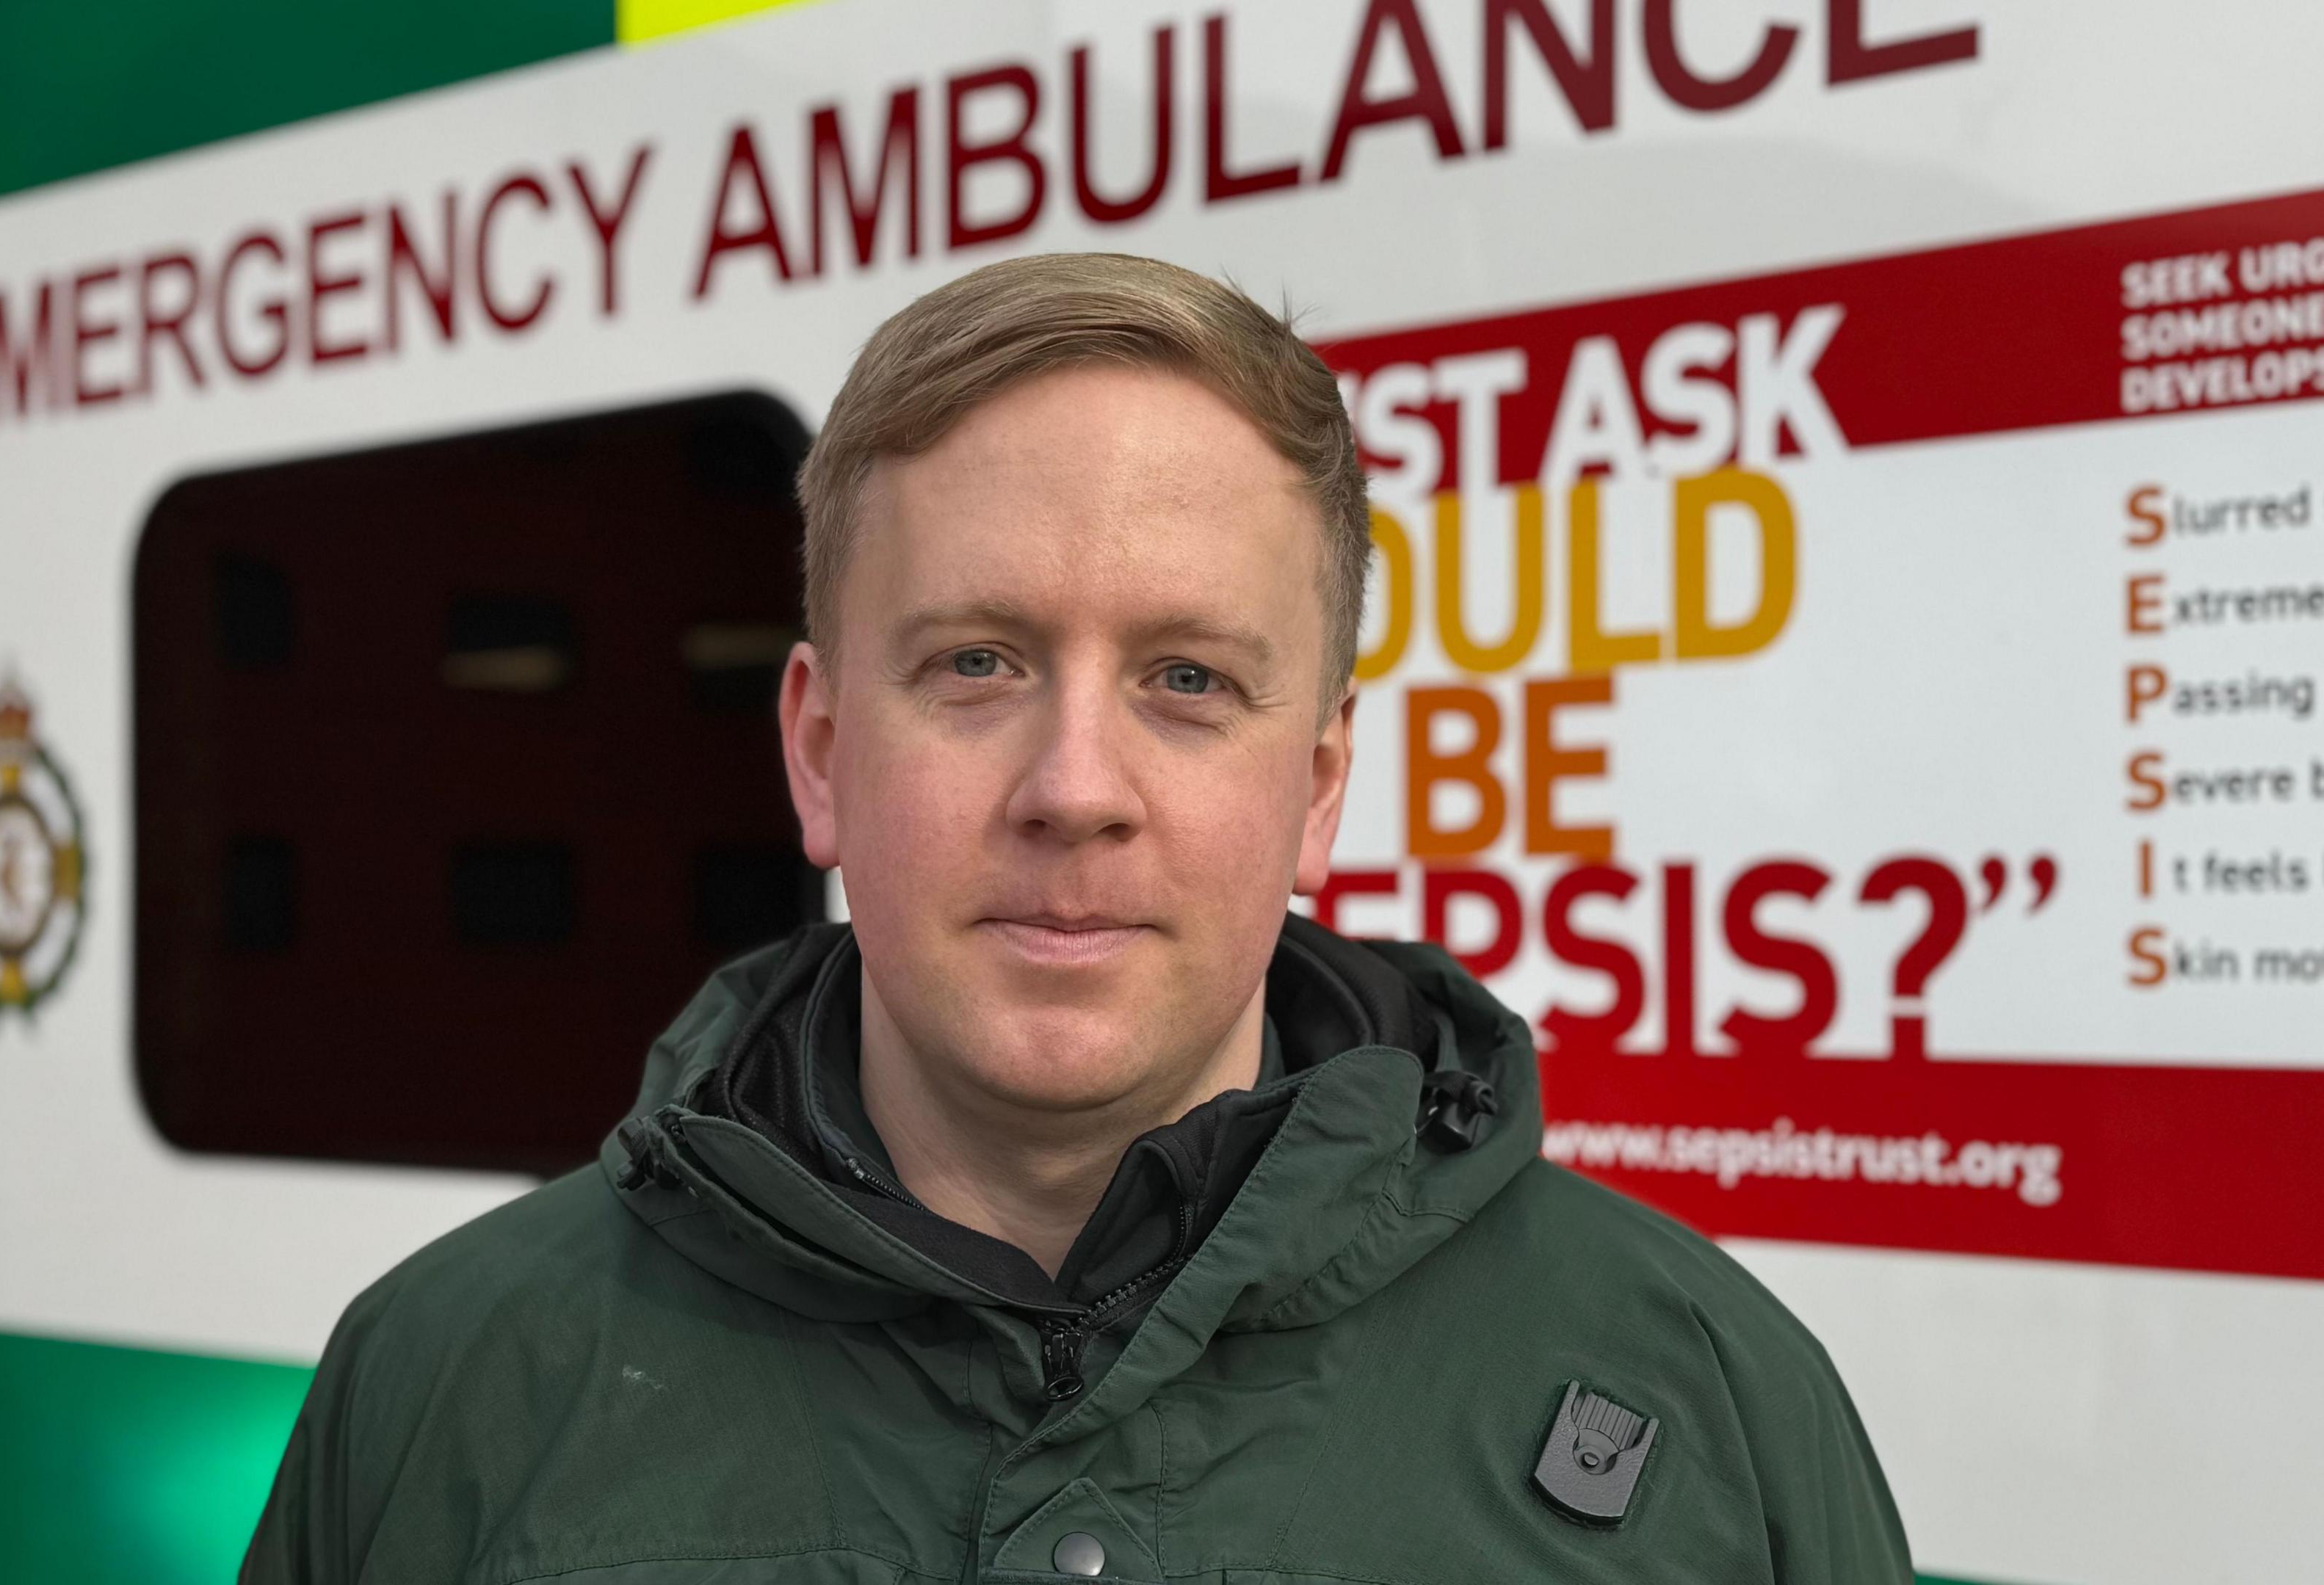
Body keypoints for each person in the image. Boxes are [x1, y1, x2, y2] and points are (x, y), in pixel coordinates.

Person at [241, 253, 1909, 1584]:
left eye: (1189, 680)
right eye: (978, 663)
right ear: (819, 752)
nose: (1075, 787)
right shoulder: (441, 1386)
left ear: (1319, 789)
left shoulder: (1709, 1396)